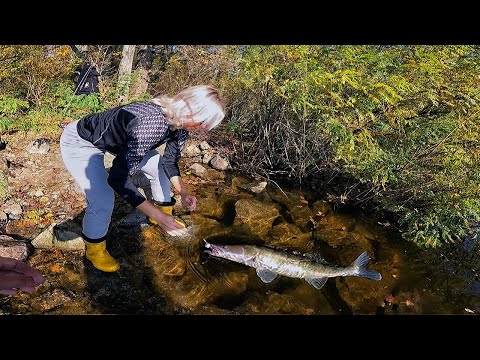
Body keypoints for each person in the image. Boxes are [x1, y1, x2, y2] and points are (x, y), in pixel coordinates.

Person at [60, 85, 225, 273]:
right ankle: (94, 250)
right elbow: (117, 179)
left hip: (117, 143)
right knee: (103, 199)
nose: (202, 129)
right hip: (82, 141)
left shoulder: (181, 125)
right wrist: (154, 213)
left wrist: (184, 192)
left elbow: (170, 161)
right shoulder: (149, 123)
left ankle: (166, 215)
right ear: (191, 110)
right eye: (203, 123)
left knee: (158, 164)